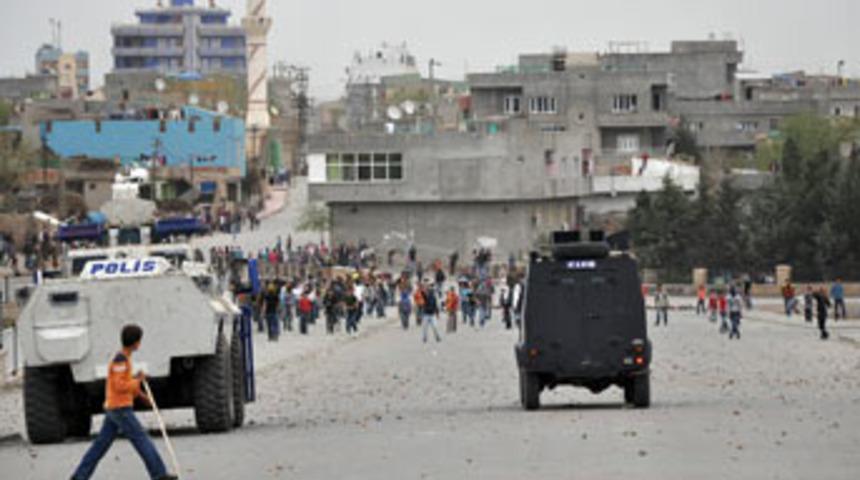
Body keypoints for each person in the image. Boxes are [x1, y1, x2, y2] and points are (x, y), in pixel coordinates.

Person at [71, 325, 178, 480]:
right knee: (142, 440)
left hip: (115, 408)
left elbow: (126, 383)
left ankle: (79, 476)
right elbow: (119, 385)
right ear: (136, 343)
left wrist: (141, 395)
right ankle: (159, 474)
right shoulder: (120, 359)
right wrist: (138, 381)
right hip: (119, 408)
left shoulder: (125, 358)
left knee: (100, 445)